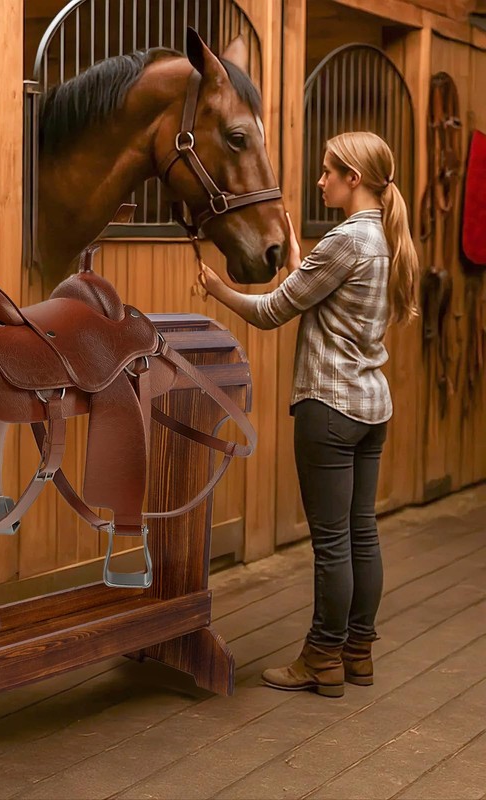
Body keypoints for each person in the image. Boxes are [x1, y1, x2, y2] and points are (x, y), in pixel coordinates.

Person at [198, 131, 419, 698]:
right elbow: (325, 296)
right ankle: (357, 653)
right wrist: (300, 261)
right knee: (361, 533)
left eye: (327, 172)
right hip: (370, 408)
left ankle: (321, 657)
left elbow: (273, 310)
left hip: (330, 408)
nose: (320, 181)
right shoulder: (384, 236)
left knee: (332, 543)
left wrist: (217, 289)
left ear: (354, 179)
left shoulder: (345, 240)